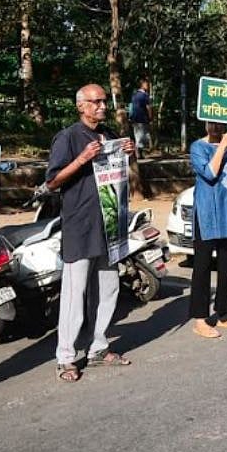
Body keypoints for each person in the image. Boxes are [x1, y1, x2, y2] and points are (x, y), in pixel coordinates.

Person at [45, 84, 137, 381]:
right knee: (75, 292)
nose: (101, 106)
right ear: (81, 106)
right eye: (95, 102)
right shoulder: (68, 137)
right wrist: (82, 159)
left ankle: (99, 347)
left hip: (110, 224)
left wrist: (129, 153)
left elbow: (120, 170)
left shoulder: (109, 135)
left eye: (103, 102)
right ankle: (66, 357)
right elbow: (52, 182)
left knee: (108, 288)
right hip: (80, 225)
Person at [188, 122, 227, 337]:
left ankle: (225, 313)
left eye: (219, 124)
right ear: (206, 124)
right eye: (211, 123)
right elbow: (209, 172)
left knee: (226, 265)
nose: (216, 127)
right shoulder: (198, 147)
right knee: (203, 266)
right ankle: (200, 319)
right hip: (207, 214)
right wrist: (221, 147)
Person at [130, 78, 152, 157]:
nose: (148, 86)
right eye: (146, 84)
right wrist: (150, 117)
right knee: (142, 137)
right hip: (142, 119)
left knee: (138, 136)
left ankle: (140, 153)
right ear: (142, 85)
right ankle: (139, 154)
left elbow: (131, 107)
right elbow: (148, 107)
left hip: (135, 119)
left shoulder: (134, 95)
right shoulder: (144, 95)